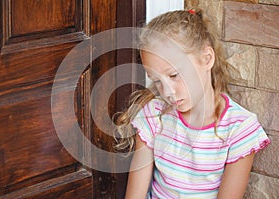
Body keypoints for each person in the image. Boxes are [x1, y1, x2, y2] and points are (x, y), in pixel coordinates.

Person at [114, 9, 270, 199]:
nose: (167, 92)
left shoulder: (239, 129)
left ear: (207, 59)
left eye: (174, 75)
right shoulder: (153, 115)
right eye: (157, 81)